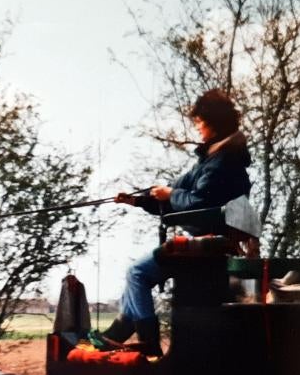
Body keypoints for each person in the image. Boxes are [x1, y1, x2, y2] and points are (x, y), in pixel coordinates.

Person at [102, 88, 252, 356]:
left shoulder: (222, 163)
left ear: (213, 123)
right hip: (210, 242)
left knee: (136, 273)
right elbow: (176, 192)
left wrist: (170, 194)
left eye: (199, 122)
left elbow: (198, 203)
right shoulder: (212, 160)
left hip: (210, 245)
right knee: (137, 277)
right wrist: (137, 200)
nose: (197, 127)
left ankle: (147, 346)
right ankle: (114, 337)